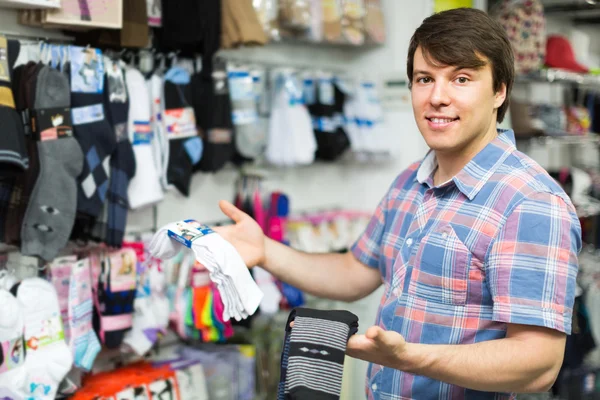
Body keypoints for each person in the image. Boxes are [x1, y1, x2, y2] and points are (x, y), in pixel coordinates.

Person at [213, 7, 582, 399]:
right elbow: (355, 271)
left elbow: (538, 363)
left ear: (499, 91)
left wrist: (412, 358)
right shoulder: (411, 181)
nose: (437, 97)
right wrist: (264, 250)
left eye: (461, 78)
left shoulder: (531, 202)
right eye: (425, 79)